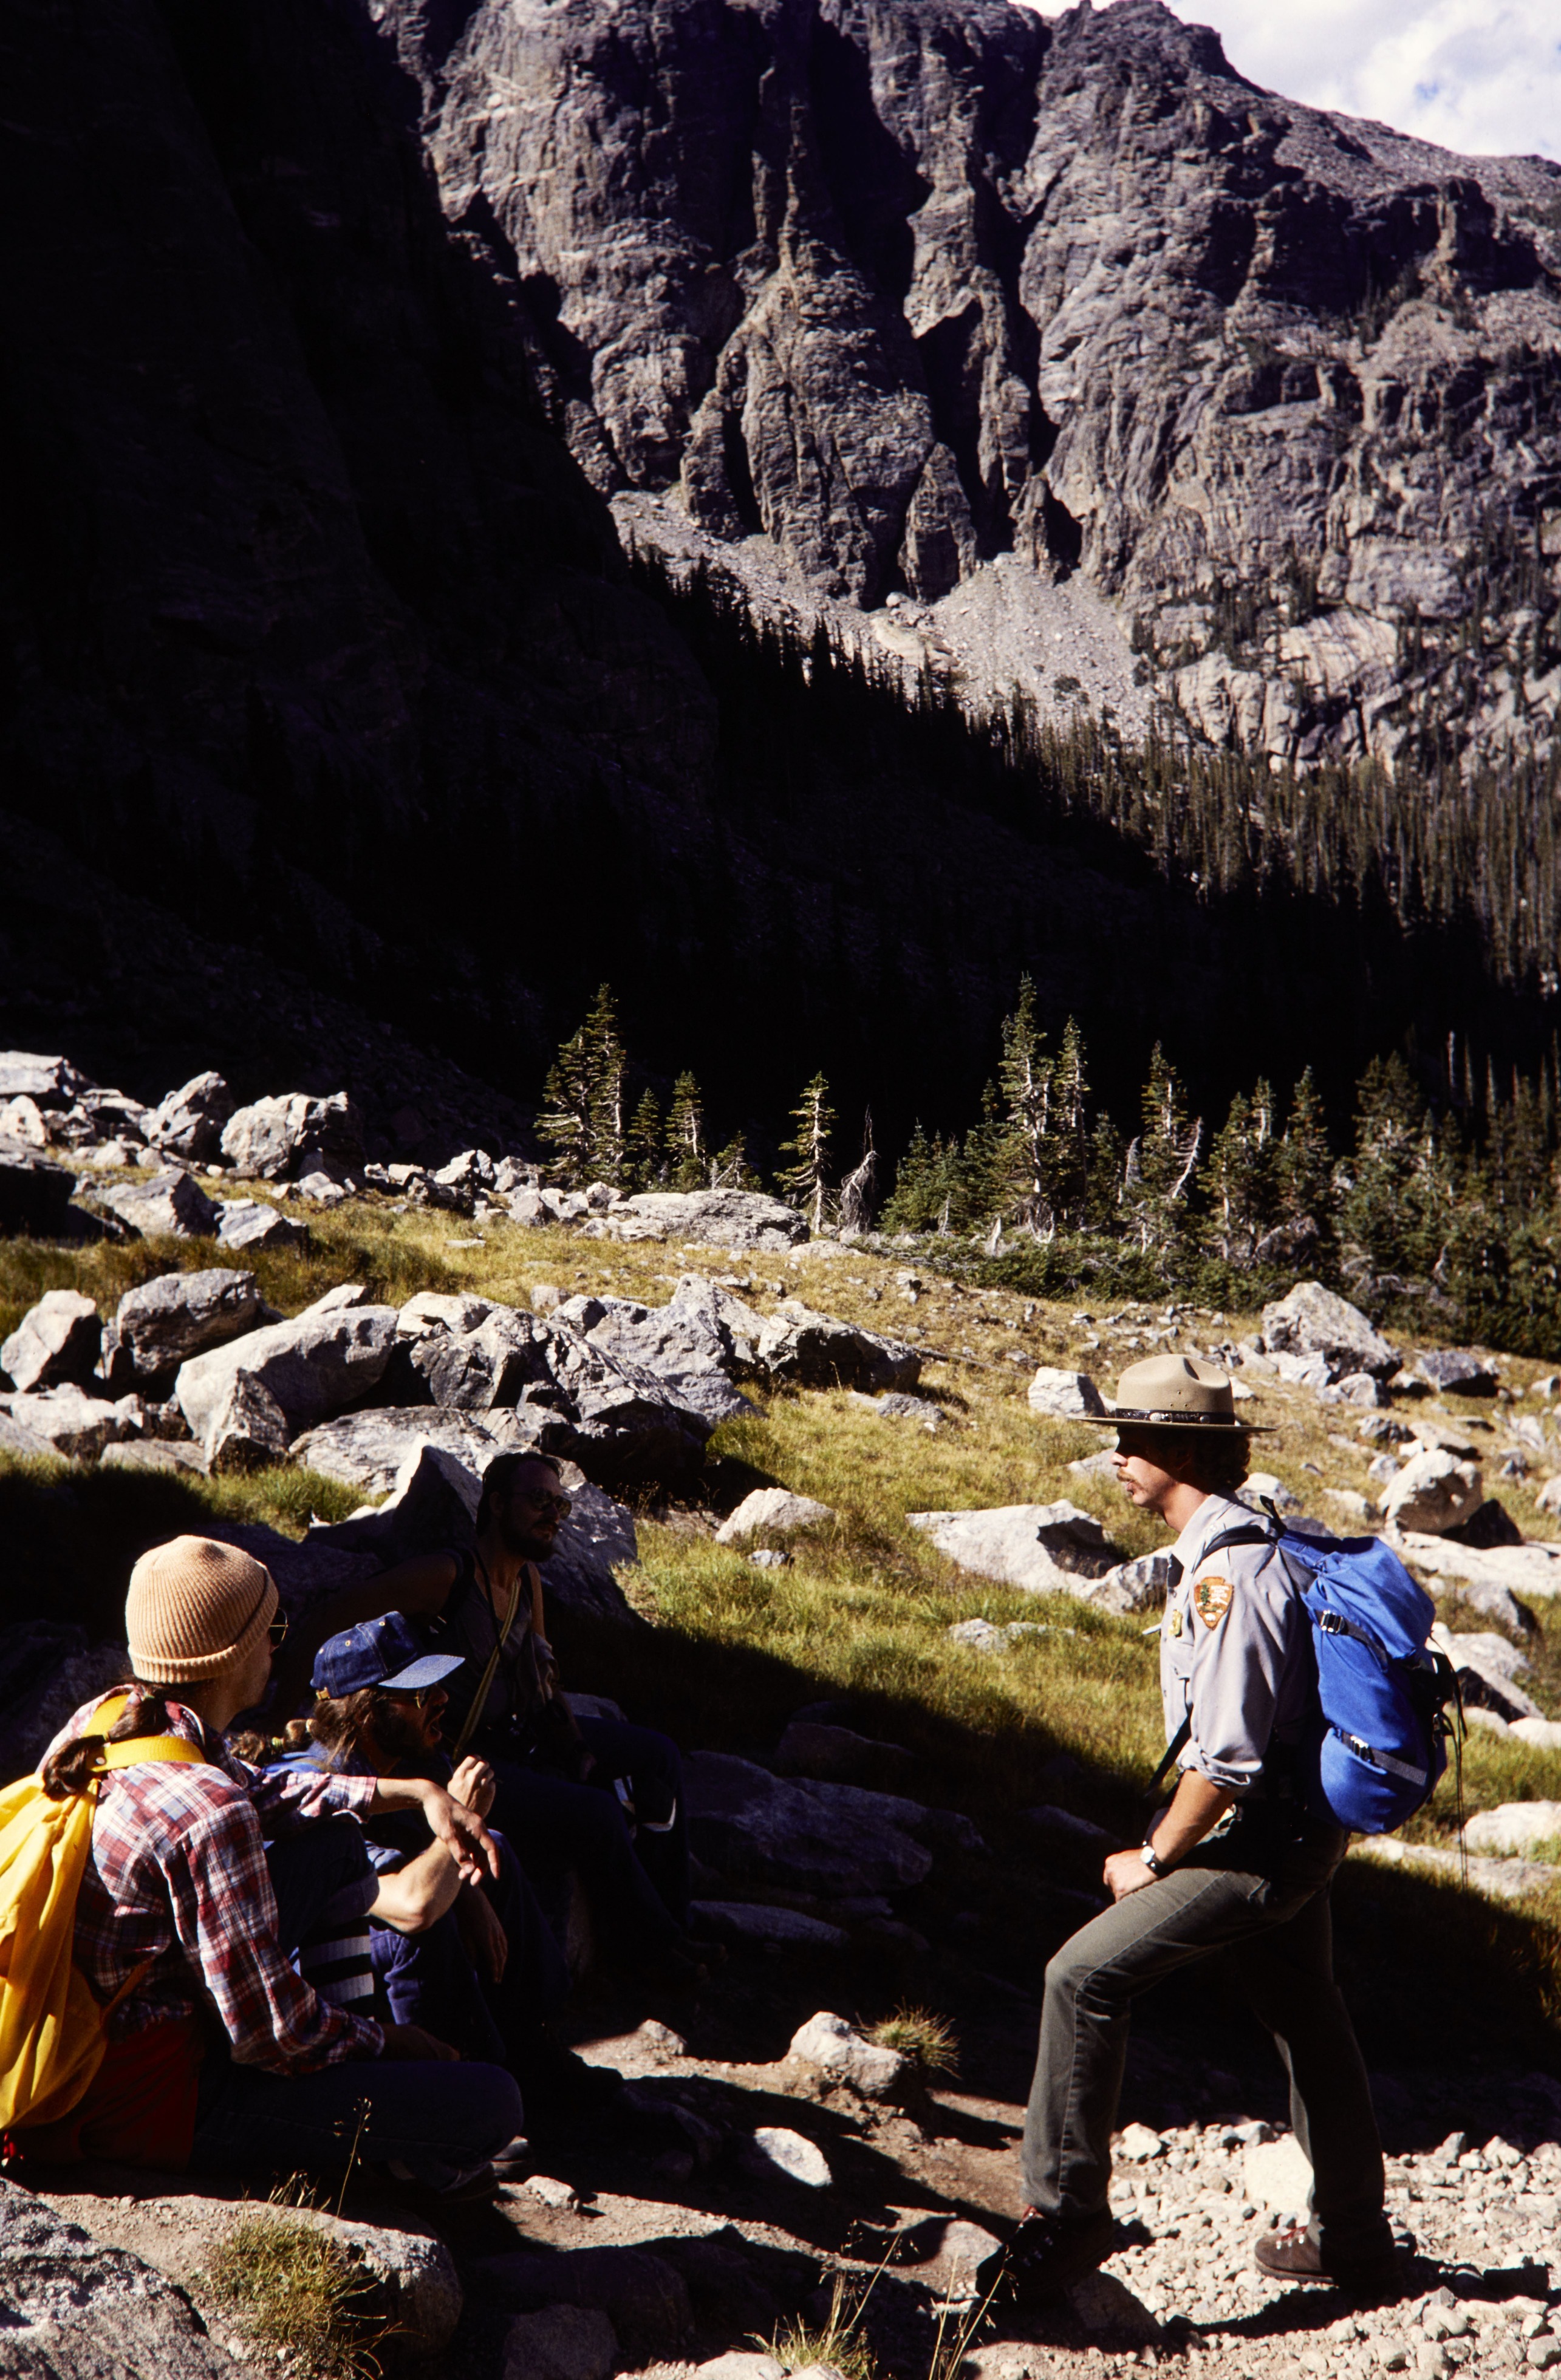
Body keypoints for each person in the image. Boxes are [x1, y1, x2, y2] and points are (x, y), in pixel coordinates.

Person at [977, 1355, 1400, 2313]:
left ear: (1183, 1453)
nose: (1117, 1456)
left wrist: (1155, 1855)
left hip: (1256, 1842)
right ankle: (1357, 2241)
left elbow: (1226, 1760)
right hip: (1296, 1831)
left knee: (1080, 1976)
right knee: (1305, 2013)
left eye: (1132, 1440)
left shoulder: (1229, 1574)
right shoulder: (1242, 1548)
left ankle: (1065, 2215)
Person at [18, 1535, 525, 2198]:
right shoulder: (209, 1812)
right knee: (493, 2102)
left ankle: (364, 2111)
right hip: (155, 2099)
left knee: (336, 1843)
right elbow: (271, 2035)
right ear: (231, 1655)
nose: (278, 1647)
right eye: (272, 1628)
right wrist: (387, 2041)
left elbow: (265, 1787)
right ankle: (367, 2152)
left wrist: (414, 1792)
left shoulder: (116, 1718)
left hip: (100, 2036)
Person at [272, 1451, 712, 1985]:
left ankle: (677, 1921)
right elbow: (332, 1617)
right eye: (539, 1500)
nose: (552, 1515)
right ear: (498, 1505)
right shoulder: (447, 1576)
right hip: (460, 1757)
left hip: (520, 1733)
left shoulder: (528, 1583)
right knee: (596, 1813)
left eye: (560, 1504)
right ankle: (657, 1951)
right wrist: (277, 1711)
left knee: (658, 1755)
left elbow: (544, 1682)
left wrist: (579, 1751)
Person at [281, 1611, 620, 2124]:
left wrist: (468, 1885)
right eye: (420, 1693)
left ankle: (532, 2050)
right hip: (319, 1986)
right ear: (368, 1715)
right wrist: (456, 1840)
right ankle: (450, 2099)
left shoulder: (407, 1764)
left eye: (438, 1684)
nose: (442, 1699)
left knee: (489, 1852)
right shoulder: (322, 1788)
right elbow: (410, 1907)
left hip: (379, 1930)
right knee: (420, 1929)